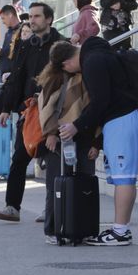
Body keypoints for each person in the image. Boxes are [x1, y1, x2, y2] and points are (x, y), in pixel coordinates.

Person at [61, 33, 138, 246]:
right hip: (129, 116)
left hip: (122, 120)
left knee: (124, 178)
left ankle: (120, 232)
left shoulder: (92, 62)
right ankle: (121, 229)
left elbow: (100, 102)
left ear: (67, 62)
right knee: (125, 177)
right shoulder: (101, 54)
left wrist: (76, 126)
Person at [0, 1, 64, 223]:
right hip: (27, 112)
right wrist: (6, 108)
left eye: (37, 17)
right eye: (30, 17)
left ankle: (50, 210)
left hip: (52, 111)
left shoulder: (61, 45)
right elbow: (16, 77)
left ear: (49, 19)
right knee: (19, 158)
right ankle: (12, 206)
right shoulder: (25, 45)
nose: (32, 20)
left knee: (51, 162)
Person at [34, 41, 98, 244]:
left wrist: (97, 142)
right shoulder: (55, 79)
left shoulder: (88, 74)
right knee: (56, 185)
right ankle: (54, 229)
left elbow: (96, 108)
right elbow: (45, 108)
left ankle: (82, 227)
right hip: (60, 138)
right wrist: (50, 133)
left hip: (85, 137)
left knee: (85, 182)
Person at [0, 3, 21, 79]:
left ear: (10, 15)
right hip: (3, 73)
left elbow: (17, 54)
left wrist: (1, 52)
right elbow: (6, 55)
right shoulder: (8, 32)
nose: (2, 22)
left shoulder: (22, 31)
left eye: (3, 18)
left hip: (12, 74)